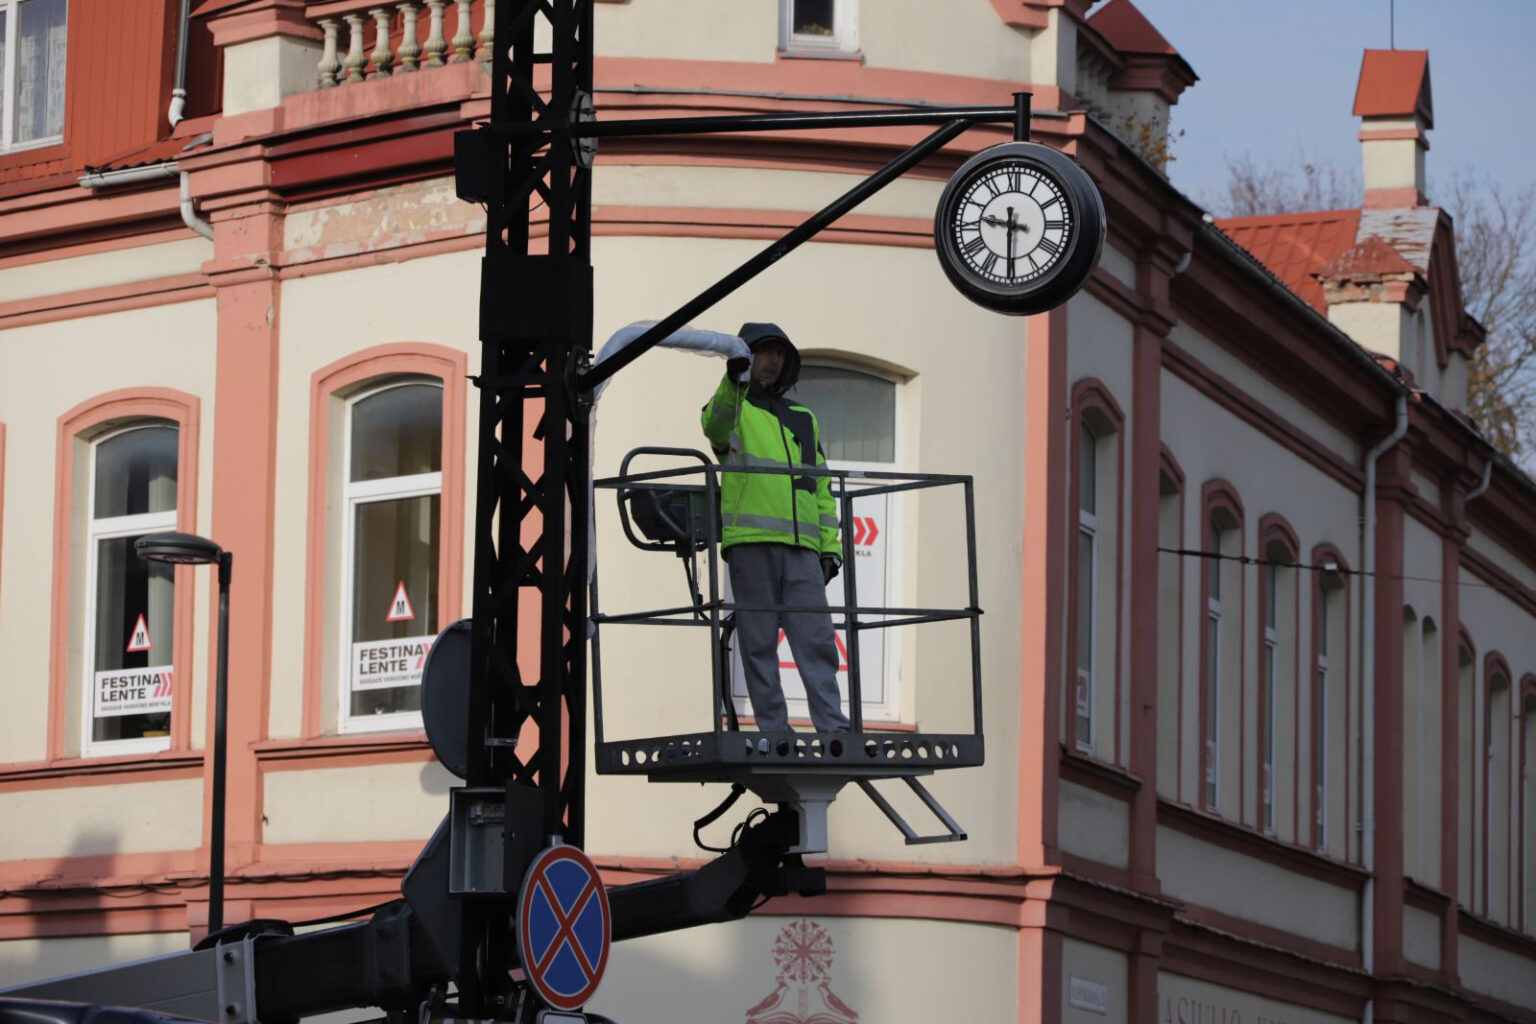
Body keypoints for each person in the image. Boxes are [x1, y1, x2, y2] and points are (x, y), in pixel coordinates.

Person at [701, 323, 851, 735]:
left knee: (817, 642)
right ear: (747, 358)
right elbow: (714, 424)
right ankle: (774, 732)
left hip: (803, 552)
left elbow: (820, 487)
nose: (773, 360)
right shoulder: (733, 409)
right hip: (750, 545)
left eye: (779, 353)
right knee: (759, 642)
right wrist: (732, 381)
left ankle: (834, 729)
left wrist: (830, 548)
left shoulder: (805, 419)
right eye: (764, 352)